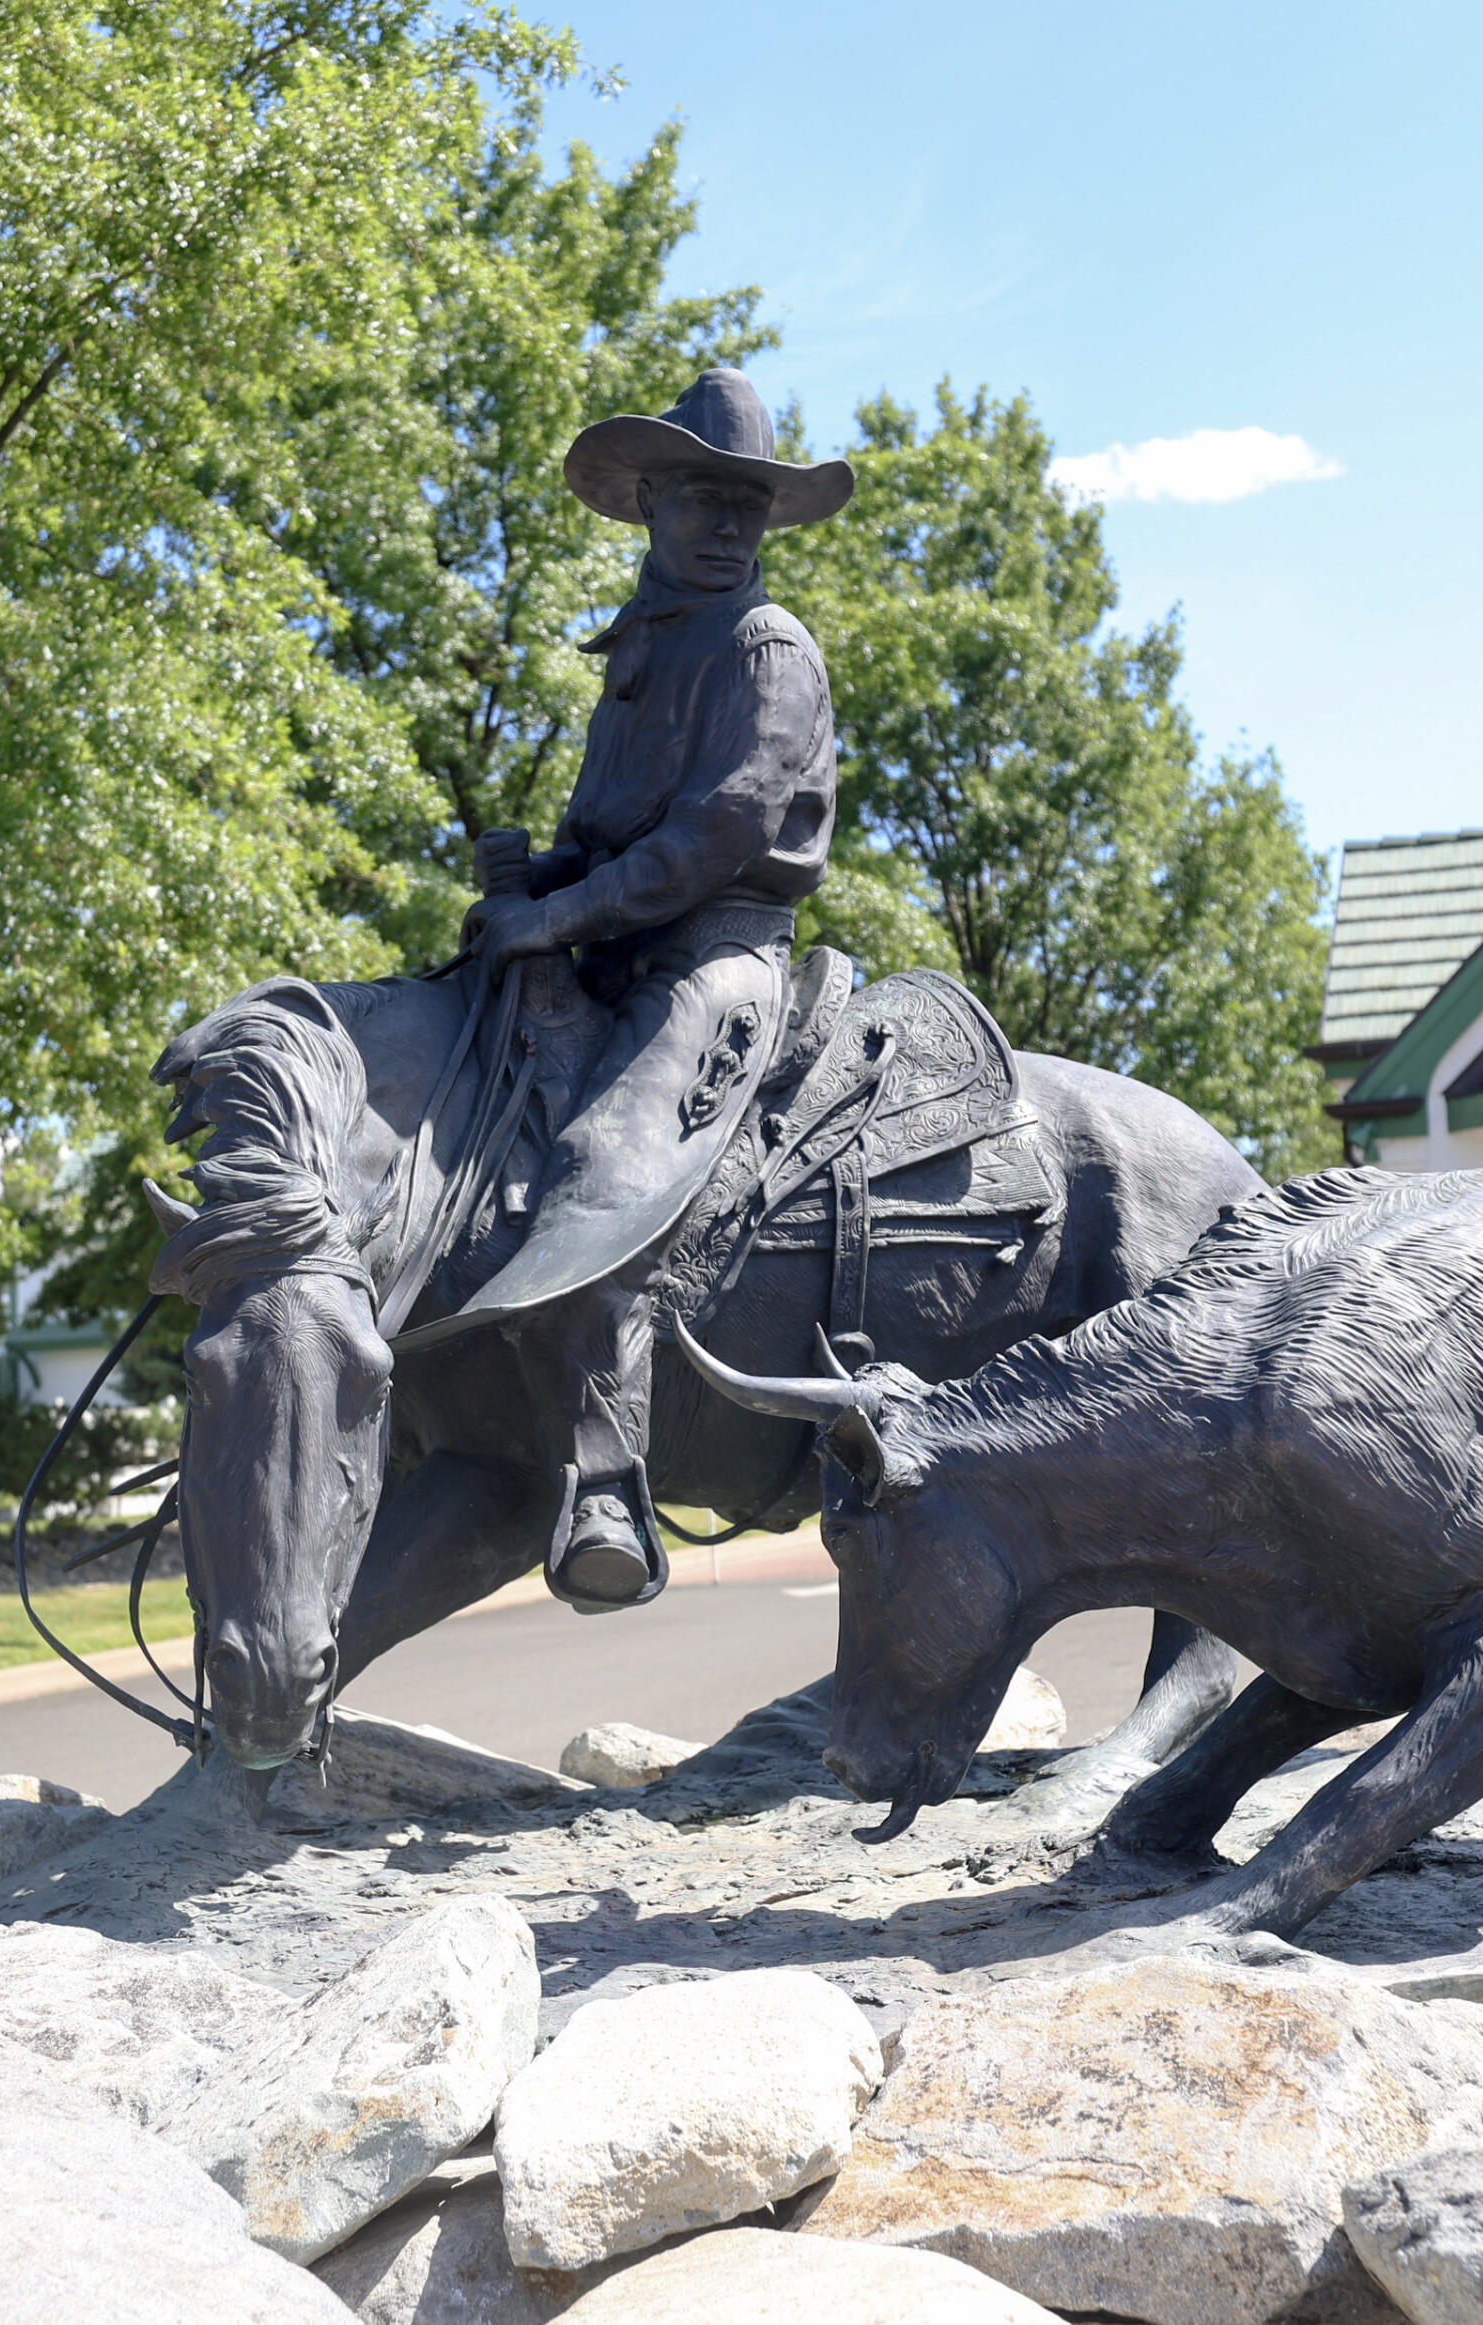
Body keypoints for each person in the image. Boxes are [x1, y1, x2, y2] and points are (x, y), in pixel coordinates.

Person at [452, 369, 852, 1608]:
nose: (729, 525)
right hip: (618, 945)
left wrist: (555, 916)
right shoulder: (641, 651)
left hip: (716, 956)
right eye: (703, 499)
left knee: (600, 1175)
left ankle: (606, 1492)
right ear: (652, 506)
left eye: (749, 505)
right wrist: (536, 884)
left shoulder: (764, 648)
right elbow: (606, 833)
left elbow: (715, 837)